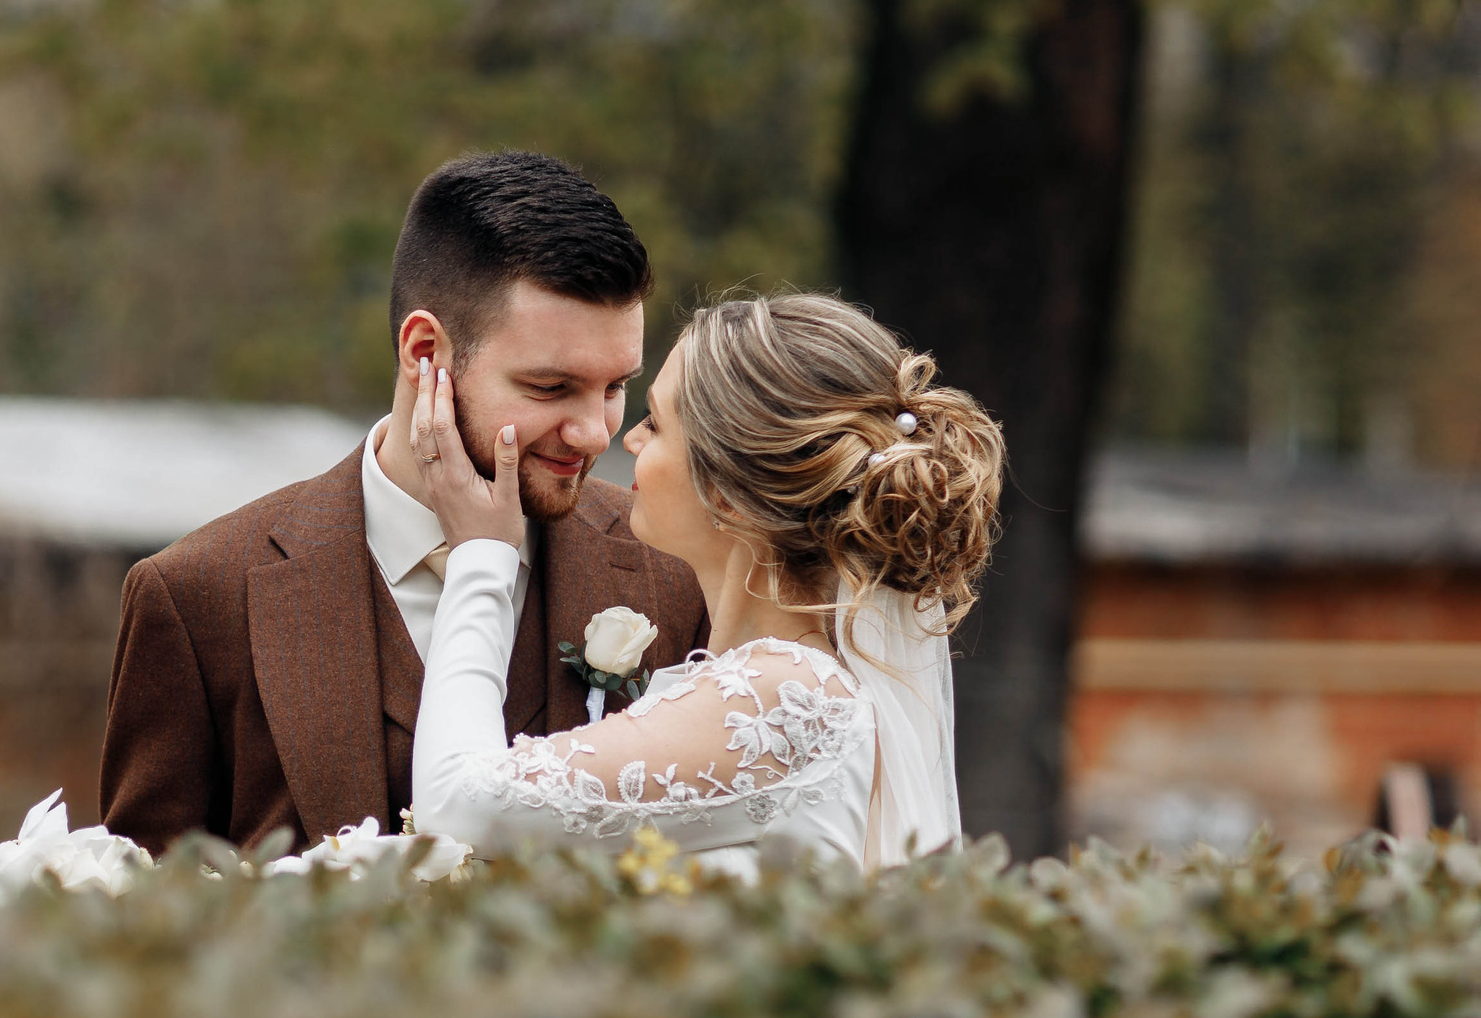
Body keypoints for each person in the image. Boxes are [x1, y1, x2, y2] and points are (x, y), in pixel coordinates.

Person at [99, 152, 708, 856]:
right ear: (425, 352)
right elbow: (135, 919)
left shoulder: (673, 573)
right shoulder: (197, 595)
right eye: (550, 387)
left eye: (614, 387)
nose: (595, 432)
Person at [409, 292, 1004, 874]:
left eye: (656, 422)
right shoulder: (766, 679)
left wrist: (481, 555)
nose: (629, 439)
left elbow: (457, 799)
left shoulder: (787, 694)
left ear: (725, 490)